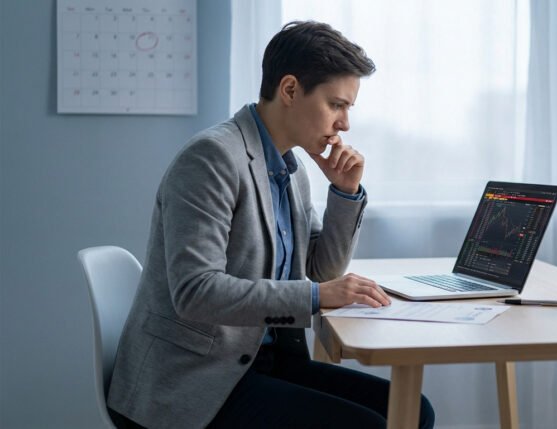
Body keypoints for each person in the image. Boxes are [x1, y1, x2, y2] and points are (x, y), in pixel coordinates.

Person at [107, 21, 435, 429]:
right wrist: (316, 297)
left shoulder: (289, 167)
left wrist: (346, 193)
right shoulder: (211, 159)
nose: (345, 123)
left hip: (257, 362)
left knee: (413, 412)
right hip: (194, 381)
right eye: (337, 104)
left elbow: (320, 271)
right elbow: (196, 292)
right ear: (291, 90)